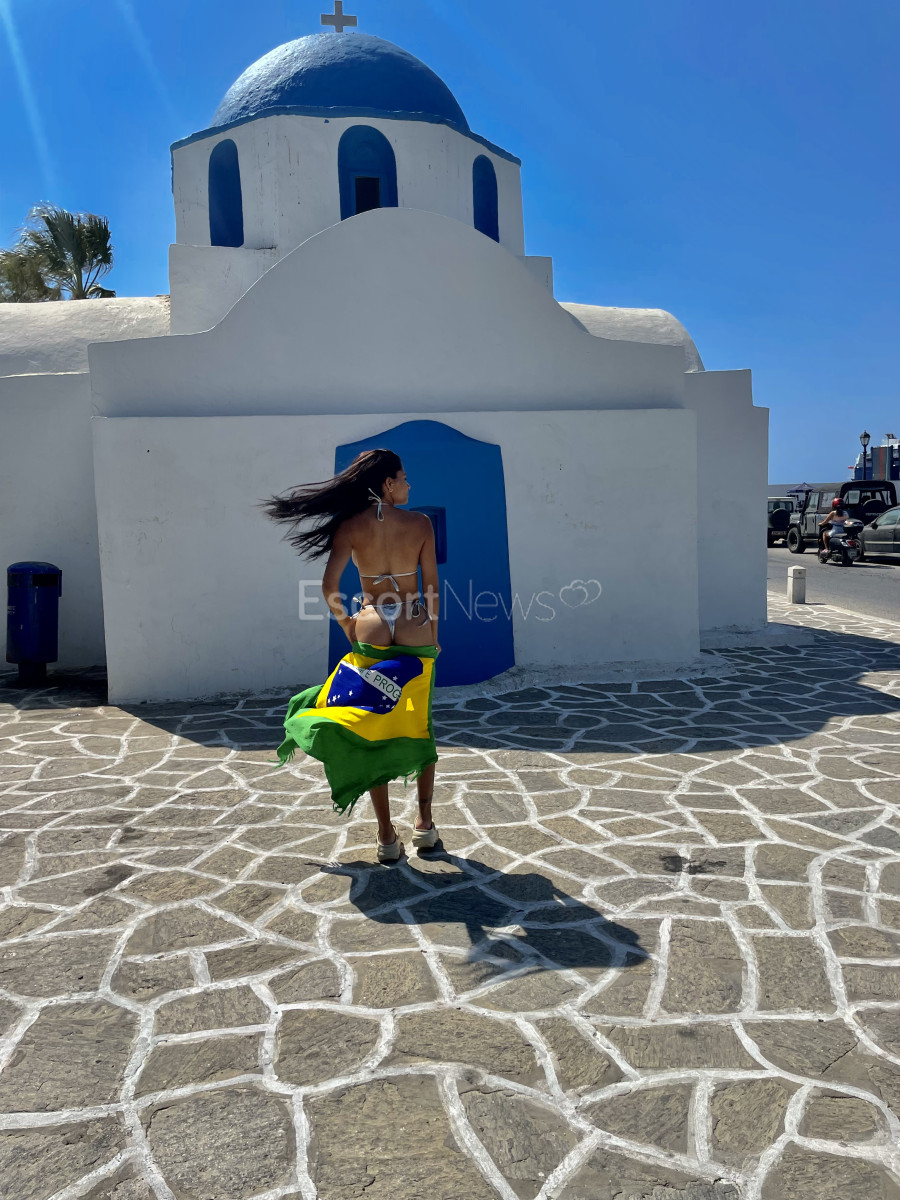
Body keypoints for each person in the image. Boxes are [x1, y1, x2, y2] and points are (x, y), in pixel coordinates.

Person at [261, 449, 440, 862]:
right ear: (388, 484)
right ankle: (424, 825)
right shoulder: (420, 524)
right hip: (413, 623)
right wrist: (433, 635)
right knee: (420, 723)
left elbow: (329, 587)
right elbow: (430, 585)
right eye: (404, 478)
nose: (409, 485)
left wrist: (348, 625)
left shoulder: (350, 525)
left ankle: (386, 837)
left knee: (371, 725)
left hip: (371, 622)